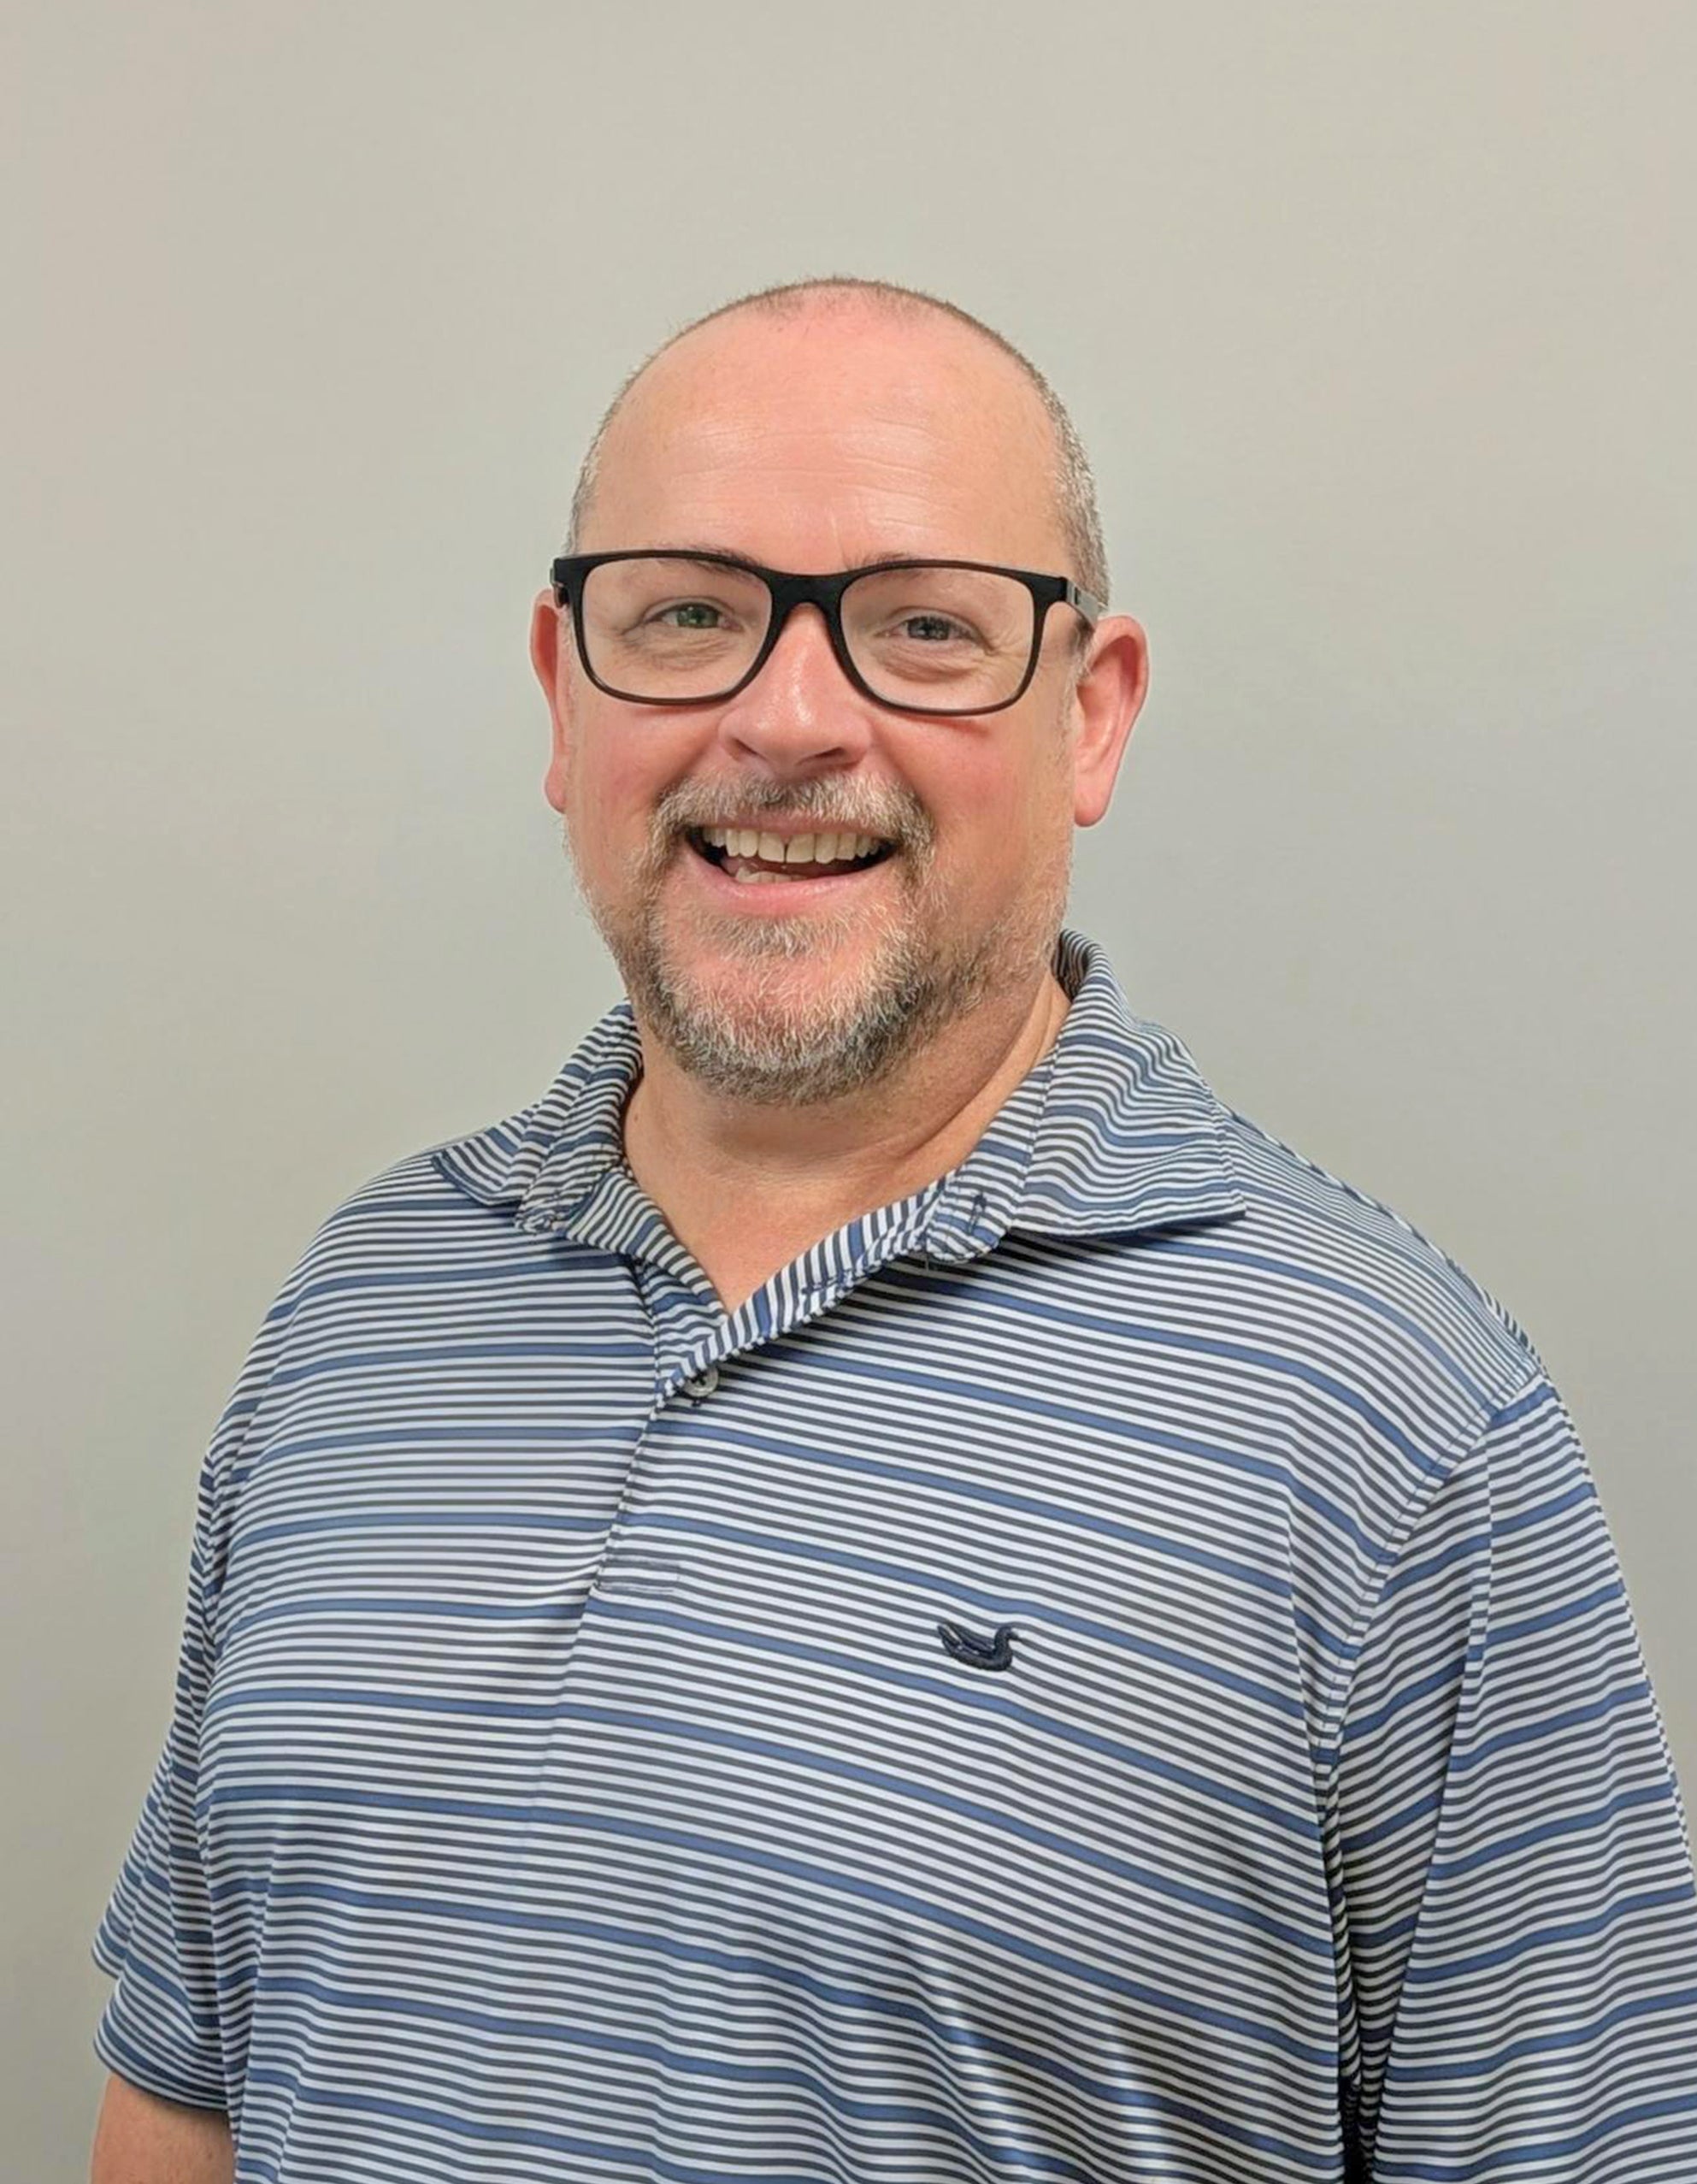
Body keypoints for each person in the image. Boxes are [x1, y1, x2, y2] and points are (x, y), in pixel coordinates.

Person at [90, 275, 1697, 2184]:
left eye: (922, 627)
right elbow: (183, 2092)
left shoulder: (1398, 1426)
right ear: (561, 691)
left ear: (1089, 717)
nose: (785, 718)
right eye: (687, 612)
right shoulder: (366, 1304)